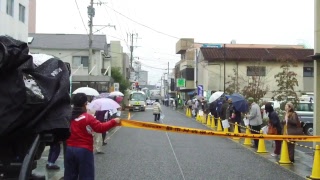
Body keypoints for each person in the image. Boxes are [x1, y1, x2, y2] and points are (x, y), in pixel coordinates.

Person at [64, 93, 121, 180]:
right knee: (86, 176)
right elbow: (100, 128)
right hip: (84, 150)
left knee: (70, 176)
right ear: (85, 104)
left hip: (69, 149)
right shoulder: (87, 117)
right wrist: (113, 121)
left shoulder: (67, 116)